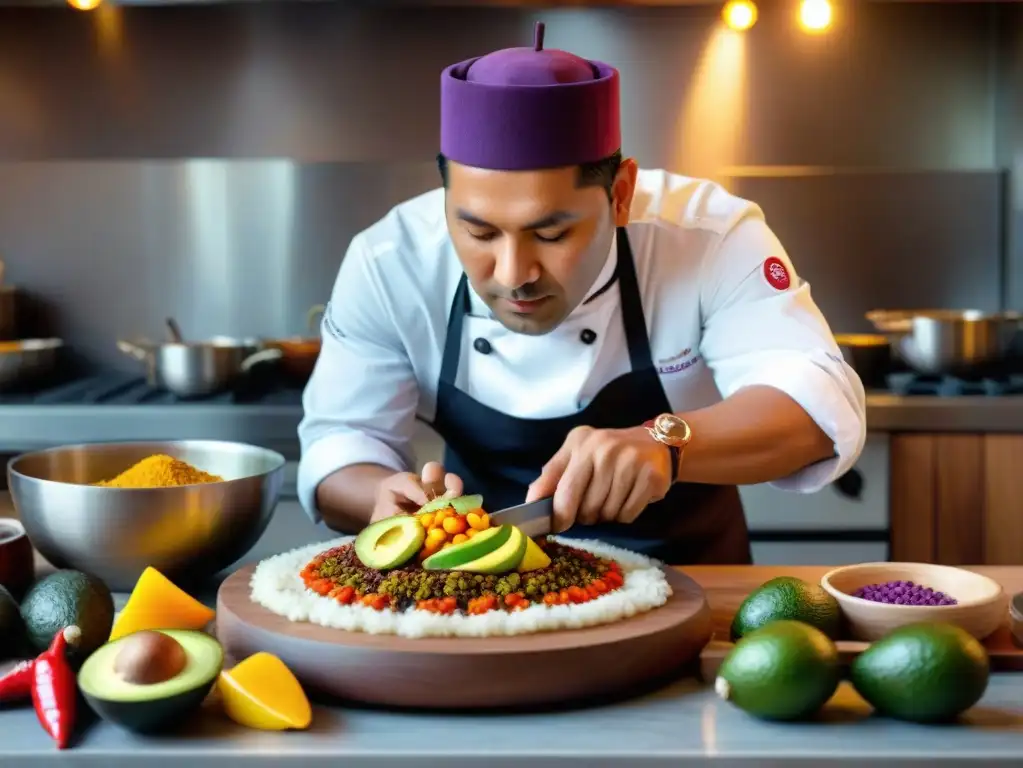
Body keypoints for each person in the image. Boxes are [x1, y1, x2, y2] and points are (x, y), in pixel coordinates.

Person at [297, 22, 867, 564]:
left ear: (620, 195)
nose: (513, 272)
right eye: (478, 232)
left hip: (694, 580)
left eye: (551, 233)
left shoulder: (708, 236)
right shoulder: (389, 261)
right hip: (484, 588)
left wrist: (667, 444)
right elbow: (343, 440)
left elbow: (816, 406)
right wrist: (378, 498)